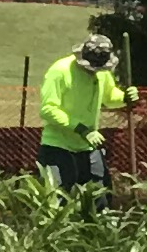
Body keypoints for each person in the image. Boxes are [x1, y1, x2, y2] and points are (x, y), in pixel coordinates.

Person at [36, 30, 132, 198]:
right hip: (58, 146)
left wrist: (125, 97)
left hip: (88, 147)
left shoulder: (102, 72)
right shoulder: (60, 71)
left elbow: (110, 97)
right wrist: (82, 130)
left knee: (100, 196)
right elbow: (48, 109)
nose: (93, 71)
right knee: (57, 199)